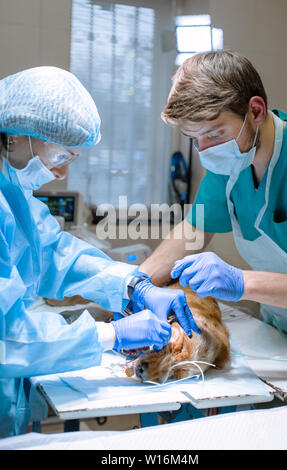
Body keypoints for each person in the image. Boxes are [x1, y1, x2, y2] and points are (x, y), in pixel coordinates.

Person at [0, 66, 200, 438]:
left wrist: (132, 285)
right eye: (59, 156)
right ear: (18, 134)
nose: (61, 175)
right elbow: (6, 339)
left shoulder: (13, 192)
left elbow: (53, 252)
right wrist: (110, 335)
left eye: (70, 160)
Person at [140, 50, 287, 340]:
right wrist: (136, 284)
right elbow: (192, 231)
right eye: (195, 139)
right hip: (282, 333)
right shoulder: (231, 164)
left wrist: (241, 282)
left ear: (255, 111)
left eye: (214, 134)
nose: (205, 150)